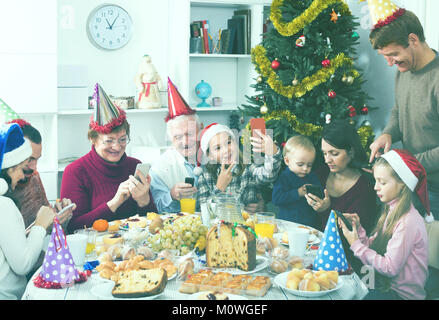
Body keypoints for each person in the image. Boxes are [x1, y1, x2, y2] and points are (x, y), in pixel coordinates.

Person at [366, 1, 438, 221]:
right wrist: (388, 133)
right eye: (385, 56)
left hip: (435, 189)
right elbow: (400, 109)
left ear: (413, 40)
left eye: (393, 54)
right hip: (413, 180)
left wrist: (408, 165)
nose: (389, 63)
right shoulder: (404, 70)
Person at [61, 83, 157, 233]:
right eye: (109, 141)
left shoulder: (135, 166)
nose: (117, 147)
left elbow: (153, 223)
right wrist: (115, 202)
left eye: (122, 139)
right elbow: (73, 227)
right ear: (93, 139)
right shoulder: (75, 171)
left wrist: (144, 200)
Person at [339, 149, 429, 300]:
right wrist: (359, 230)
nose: (376, 187)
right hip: (383, 283)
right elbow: (374, 248)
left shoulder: (408, 221)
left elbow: (390, 268)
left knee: (352, 294)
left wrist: (355, 244)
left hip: (400, 295)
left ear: (402, 184)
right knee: (348, 287)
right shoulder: (391, 210)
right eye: (375, 181)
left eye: (382, 182)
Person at [309, 120, 379, 273]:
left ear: (351, 152)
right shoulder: (320, 173)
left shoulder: (365, 188)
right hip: (313, 254)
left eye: (334, 153)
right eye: (325, 153)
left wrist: (326, 210)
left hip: (347, 263)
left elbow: (354, 240)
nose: (328, 159)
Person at [0, 123, 56, 299]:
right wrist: (40, 226)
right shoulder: (4, 204)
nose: (24, 175)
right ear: (10, 167)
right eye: (22, 167)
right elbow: (23, 264)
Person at [197, 122, 282, 210]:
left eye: (229, 143)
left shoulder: (248, 167)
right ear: (209, 155)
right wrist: (220, 187)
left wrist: (273, 153)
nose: (226, 150)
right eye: (218, 148)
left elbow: (268, 176)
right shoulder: (204, 177)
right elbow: (204, 212)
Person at [149, 78, 201, 213]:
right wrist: (171, 195)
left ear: (200, 129)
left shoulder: (217, 153)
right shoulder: (159, 168)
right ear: (170, 139)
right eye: (177, 137)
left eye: (189, 133)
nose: (185, 142)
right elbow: (157, 209)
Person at [272, 135, 321, 229]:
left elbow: (320, 193)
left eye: (309, 165)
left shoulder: (312, 177)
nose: (305, 168)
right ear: (287, 161)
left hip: (308, 223)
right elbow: (276, 199)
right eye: (300, 164)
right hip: (287, 223)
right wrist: (297, 193)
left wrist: (315, 193)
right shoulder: (284, 177)